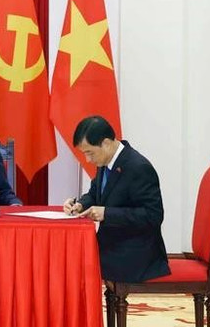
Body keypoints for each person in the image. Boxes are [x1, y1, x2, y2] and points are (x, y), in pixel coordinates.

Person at [63, 115, 170, 284]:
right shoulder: (106, 162)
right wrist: (80, 204)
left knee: (74, 265)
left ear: (106, 143)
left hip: (135, 252)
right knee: (68, 257)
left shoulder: (138, 167)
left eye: (90, 153)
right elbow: (94, 193)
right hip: (113, 243)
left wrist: (107, 214)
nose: (88, 160)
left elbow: (153, 216)